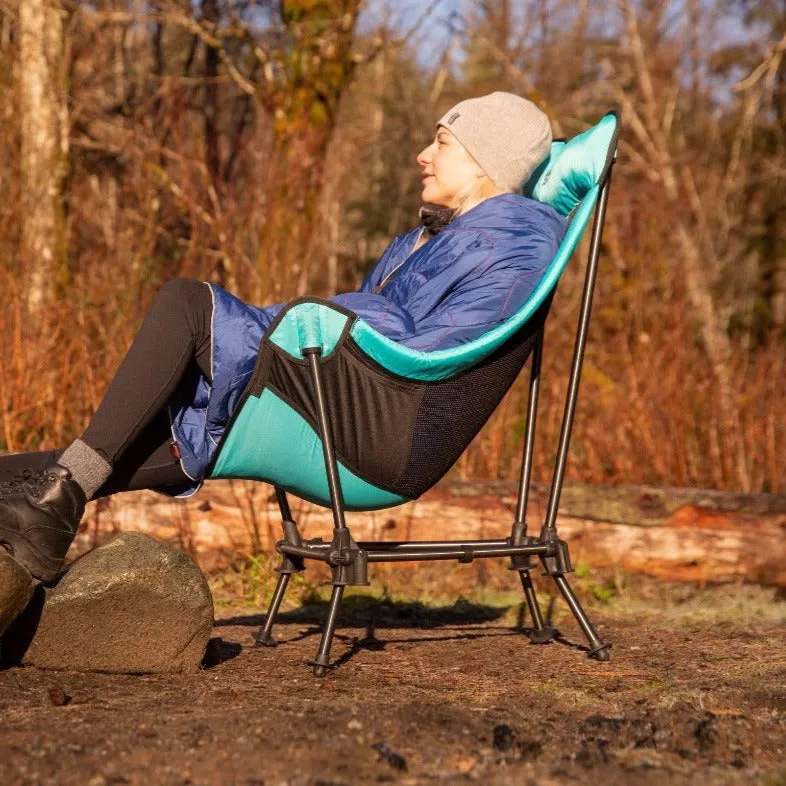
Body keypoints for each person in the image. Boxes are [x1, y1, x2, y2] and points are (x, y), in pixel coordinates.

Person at [0, 92, 567, 583]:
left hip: (378, 430)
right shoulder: (436, 237)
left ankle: (54, 501)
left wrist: (316, 321)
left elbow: (425, 354)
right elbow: (383, 325)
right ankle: (48, 501)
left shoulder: (511, 243)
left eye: (442, 142)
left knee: (188, 305)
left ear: (485, 158)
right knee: (128, 451)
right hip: (348, 401)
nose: (423, 154)